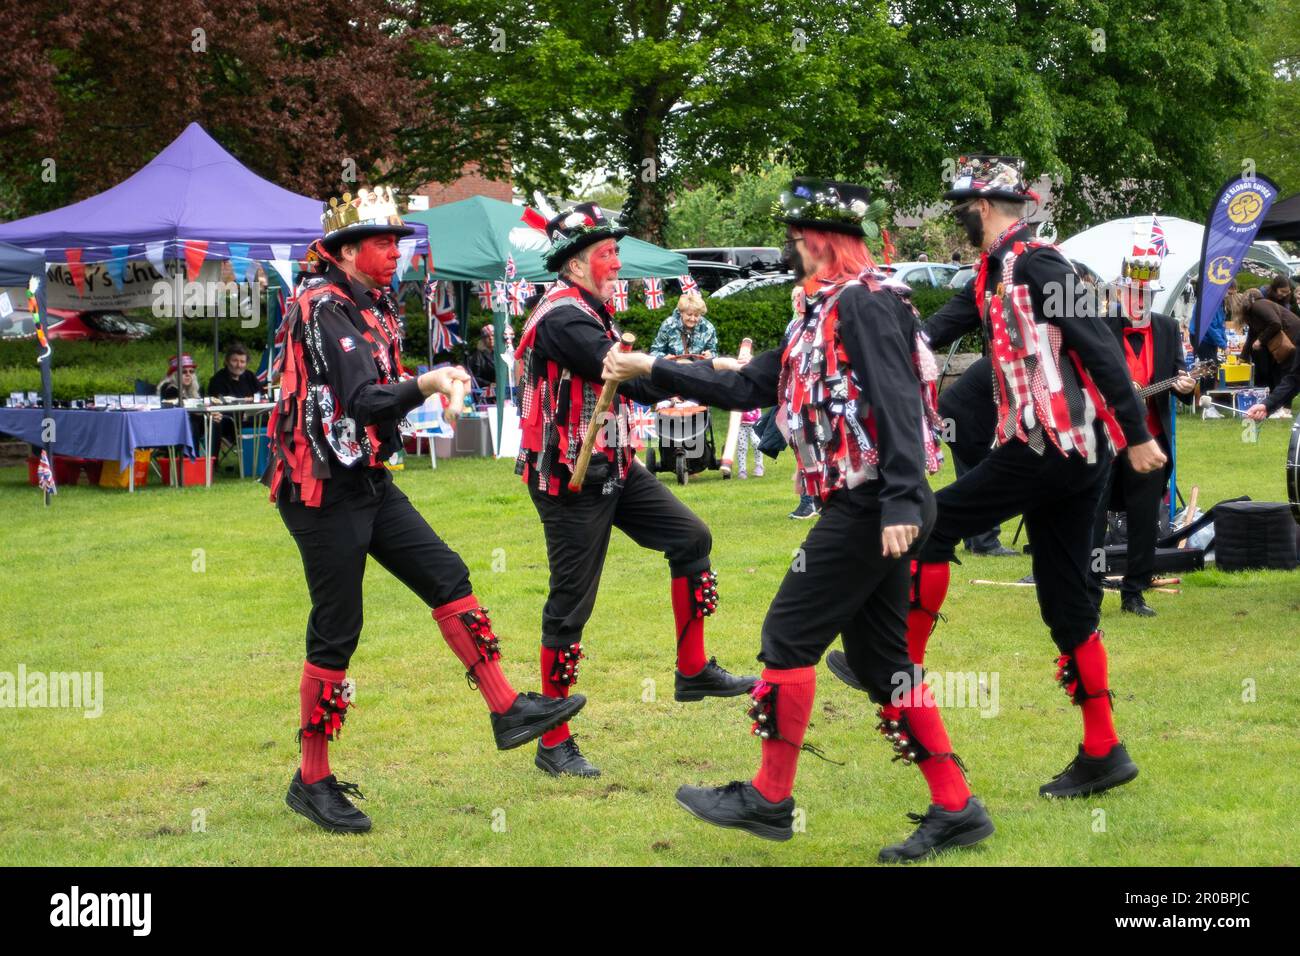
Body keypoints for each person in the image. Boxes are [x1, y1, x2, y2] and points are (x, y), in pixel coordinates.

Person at [604, 177, 994, 862]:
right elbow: (747, 387)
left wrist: (903, 496)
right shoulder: (817, 314)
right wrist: (649, 369)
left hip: (876, 502)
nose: (787, 249)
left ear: (821, 242)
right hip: (870, 502)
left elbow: (900, 399)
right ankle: (956, 807)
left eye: (793, 238)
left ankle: (769, 798)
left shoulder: (867, 304)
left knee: (787, 636)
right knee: (883, 664)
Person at [833, 155, 1165, 800]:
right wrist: (864, 352)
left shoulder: (1041, 264)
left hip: (1051, 447)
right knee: (1068, 600)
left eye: (960, 206)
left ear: (980, 208)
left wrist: (1140, 435)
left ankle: (901, 664)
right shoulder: (988, 272)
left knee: (930, 524)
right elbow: (931, 333)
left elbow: (1098, 346)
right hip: (1066, 456)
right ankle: (1103, 751)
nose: (957, 216)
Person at [265, 187, 584, 833]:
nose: (396, 252)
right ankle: (313, 778)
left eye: (398, 241)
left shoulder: (370, 307)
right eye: (384, 242)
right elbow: (362, 399)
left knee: (446, 573)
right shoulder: (322, 305)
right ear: (348, 251)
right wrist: (431, 381)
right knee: (338, 627)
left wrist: (440, 379)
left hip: (366, 476)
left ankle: (506, 709)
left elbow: (378, 397)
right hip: (319, 488)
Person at [513, 200, 755, 778]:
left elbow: (631, 384)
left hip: (614, 463)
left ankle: (692, 669)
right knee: (571, 604)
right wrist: (711, 377)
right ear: (576, 262)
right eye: (608, 252)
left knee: (691, 537)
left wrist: (705, 374)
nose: (618, 262)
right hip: (569, 476)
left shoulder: (591, 313)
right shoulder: (562, 317)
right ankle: (553, 742)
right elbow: (623, 369)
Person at [1089, 257, 1196, 616]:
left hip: (1149, 441)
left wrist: (1187, 385)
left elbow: (1180, 379)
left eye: (1146, 295)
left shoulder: (1167, 328)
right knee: (1094, 515)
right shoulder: (1101, 326)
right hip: (1105, 439)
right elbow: (1083, 375)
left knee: (1144, 519)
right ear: (1120, 292)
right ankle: (1089, 591)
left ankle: (1134, 592)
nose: (1139, 301)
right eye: (1133, 293)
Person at [938, 356, 1018, 556]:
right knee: (985, 477)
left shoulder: (1001, 360)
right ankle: (985, 543)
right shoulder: (1011, 366)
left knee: (968, 476)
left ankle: (971, 537)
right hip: (961, 419)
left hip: (949, 416)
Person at [159, 353, 220, 452]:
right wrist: (208, 413)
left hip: (194, 422)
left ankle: (213, 461)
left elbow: (198, 408)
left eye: (191, 371)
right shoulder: (169, 388)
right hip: (173, 428)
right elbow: (184, 412)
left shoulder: (193, 390)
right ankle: (192, 462)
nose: (188, 374)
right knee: (192, 424)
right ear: (175, 374)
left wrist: (211, 415)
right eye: (184, 372)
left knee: (215, 421)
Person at [207, 343, 260, 448]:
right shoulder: (218, 380)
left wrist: (254, 399)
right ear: (227, 361)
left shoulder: (250, 376)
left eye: (242, 362)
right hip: (229, 422)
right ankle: (213, 462)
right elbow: (217, 403)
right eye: (235, 361)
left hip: (253, 418)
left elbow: (261, 395)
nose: (239, 365)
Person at [649, 291, 718, 358]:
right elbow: (654, 352)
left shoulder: (708, 328)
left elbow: (714, 352)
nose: (692, 319)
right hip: (672, 367)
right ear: (681, 312)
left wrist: (710, 355)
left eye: (696, 315)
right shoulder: (668, 325)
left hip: (698, 367)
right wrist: (664, 358)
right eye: (689, 314)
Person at [736, 406, 764, 479]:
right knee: (741, 447)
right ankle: (742, 470)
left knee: (757, 443)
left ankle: (759, 466)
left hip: (755, 422)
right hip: (740, 424)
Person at [466, 323, 497, 390]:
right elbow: (474, 378)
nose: (491, 338)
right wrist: (489, 384)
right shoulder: (477, 356)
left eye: (493, 335)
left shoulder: (500, 353)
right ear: (483, 339)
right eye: (487, 336)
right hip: (484, 392)